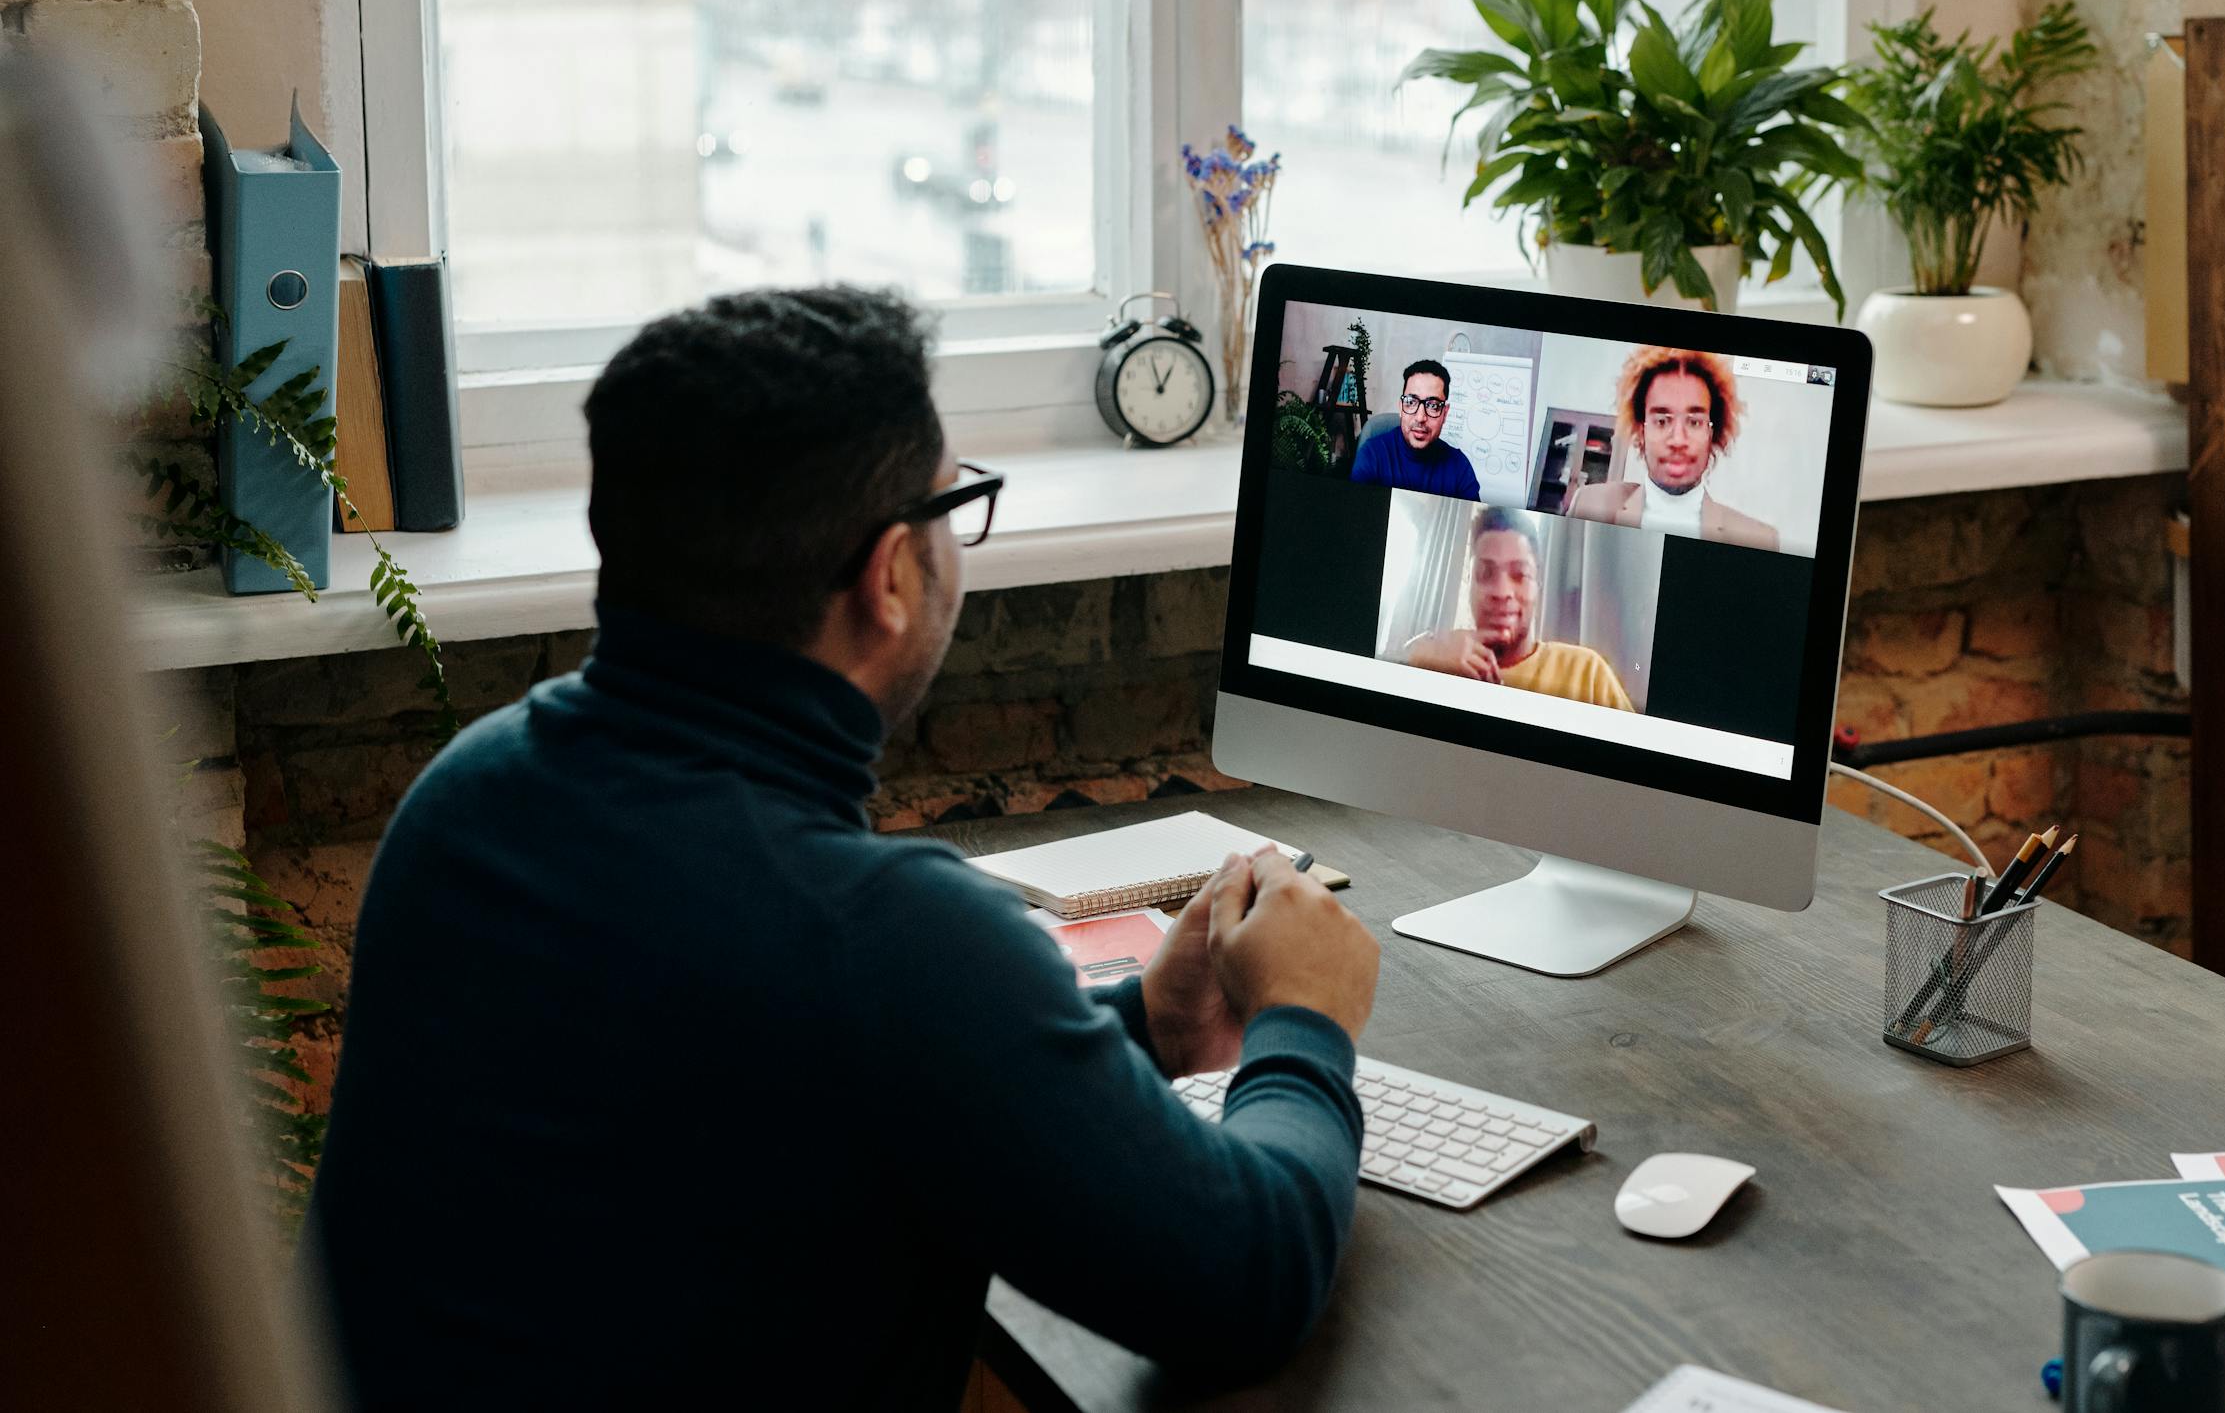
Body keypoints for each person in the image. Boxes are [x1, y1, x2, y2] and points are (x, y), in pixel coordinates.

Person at [304, 287, 1381, 1409]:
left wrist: (1144, 1027)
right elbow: (1243, 1282)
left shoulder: (469, 800)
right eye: (953, 505)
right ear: (890, 577)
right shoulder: (882, 941)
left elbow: (767, 1090)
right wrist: (1307, 1023)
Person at [1402, 506, 1635, 710]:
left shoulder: (1587, 673)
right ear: (1469, 583)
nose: (1502, 592)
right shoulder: (1439, 664)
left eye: (1520, 575)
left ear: (1538, 584)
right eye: (1486, 573)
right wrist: (1418, 655)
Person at [1567, 344, 1778, 549]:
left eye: (1694, 422)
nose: (1678, 440)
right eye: (1662, 421)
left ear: (1711, 434)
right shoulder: (1590, 504)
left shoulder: (1759, 540)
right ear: (1642, 431)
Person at [1348, 358, 1482, 499]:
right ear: (1401, 407)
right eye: (1411, 402)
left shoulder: (1459, 467)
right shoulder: (1372, 454)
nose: (1420, 417)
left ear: (1445, 413)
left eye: (1433, 405)